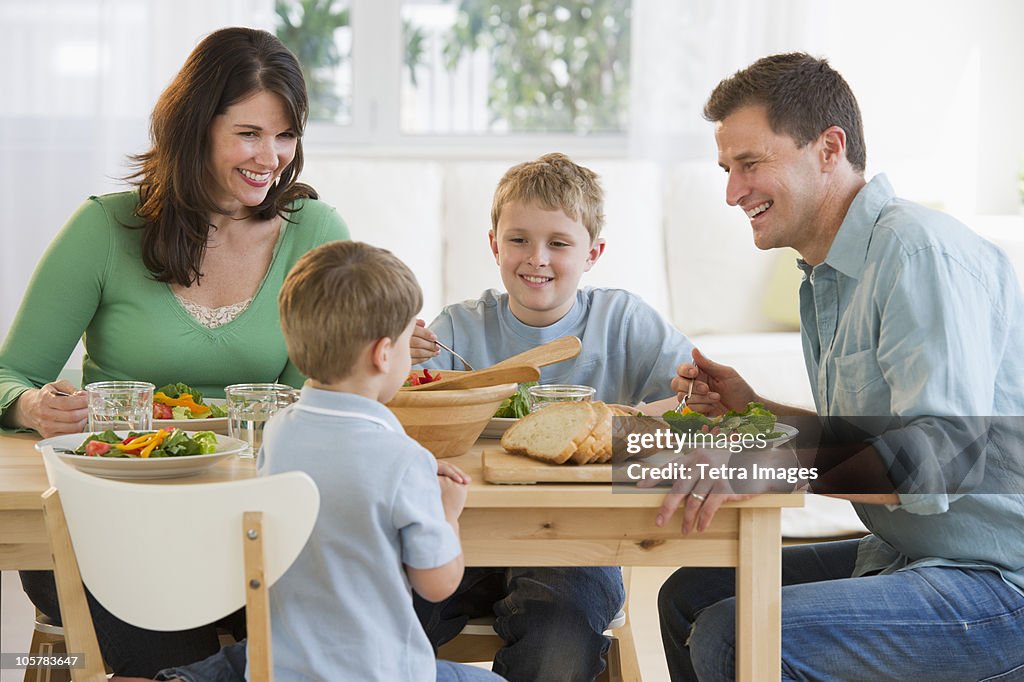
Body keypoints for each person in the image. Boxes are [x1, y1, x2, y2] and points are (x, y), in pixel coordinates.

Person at [656, 53, 1024, 681]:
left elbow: (941, 459)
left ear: (829, 148)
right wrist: (755, 412)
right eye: (727, 169)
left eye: (750, 164)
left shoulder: (916, 252)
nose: (732, 192)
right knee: (689, 596)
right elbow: (871, 438)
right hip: (909, 553)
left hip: (997, 582)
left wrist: (769, 464)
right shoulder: (827, 277)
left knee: (735, 635)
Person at [0, 27, 348, 676]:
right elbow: (9, 373)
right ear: (195, 128)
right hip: (111, 523)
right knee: (186, 650)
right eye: (249, 133)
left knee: (319, 629)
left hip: (250, 524)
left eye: (285, 135)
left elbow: (317, 401)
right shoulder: (105, 227)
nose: (271, 157)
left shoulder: (315, 233)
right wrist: (31, 406)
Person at [142, 240, 504, 682]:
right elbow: (437, 584)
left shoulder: (278, 432)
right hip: (378, 672)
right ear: (383, 354)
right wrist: (448, 513)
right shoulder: (405, 459)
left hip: (282, 669)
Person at [410, 153, 696, 681]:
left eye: (559, 243)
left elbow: (695, 399)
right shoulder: (457, 330)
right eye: (518, 239)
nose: (536, 258)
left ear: (593, 253)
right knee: (381, 614)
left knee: (558, 647)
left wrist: (636, 417)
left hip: (575, 543)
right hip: (459, 535)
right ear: (494, 245)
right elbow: (399, 414)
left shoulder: (622, 320)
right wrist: (391, 359)